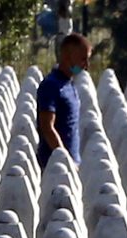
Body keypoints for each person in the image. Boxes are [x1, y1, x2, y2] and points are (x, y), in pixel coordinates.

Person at [36, 33, 91, 170]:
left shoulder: (68, 84)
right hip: (55, 168)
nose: (86, 65)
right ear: (67, 56)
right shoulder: (51, 85)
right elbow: (47, 127)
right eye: (83, 59)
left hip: (70, 165)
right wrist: (64, 159)